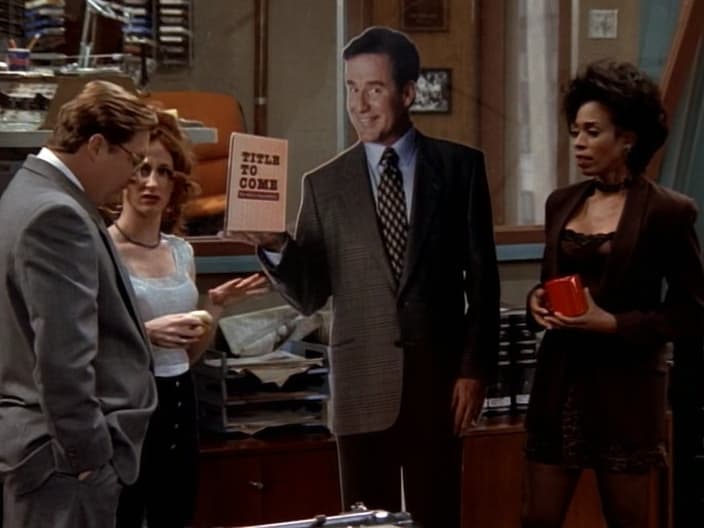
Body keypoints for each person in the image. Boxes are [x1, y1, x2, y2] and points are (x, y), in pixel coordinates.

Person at [234, 26, 499, 528]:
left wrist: (474, 370)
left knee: (438, 516)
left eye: (374, 89)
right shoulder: (323, 184)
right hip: (360, 386)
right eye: (351, 89)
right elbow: (310, 295)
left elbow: (483, 283)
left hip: (439, 384)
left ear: (407, 92)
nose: (359, 105)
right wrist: (275, 246)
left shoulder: (460, 168)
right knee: (361, 523)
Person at [522, 60, 704, 527]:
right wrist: (536, 301)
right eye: (575, 132)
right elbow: (551, 280)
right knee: (538, 520)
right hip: (560, 385)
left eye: (592, 132)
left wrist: (613, 323)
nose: (579, 143)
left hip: (625, 392)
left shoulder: (667, 211)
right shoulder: (562, 202)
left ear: (627, 138)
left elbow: (692, 311)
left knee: (627, 522)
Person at [0, 80, 158, 528]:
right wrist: (88, 458)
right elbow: (63, 357)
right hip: (63, 468)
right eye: (133, 160)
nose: (135, 177)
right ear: (96, 145)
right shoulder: (57, 214)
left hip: (43, 453)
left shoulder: (23, 192)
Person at [107, 110, 267, 528]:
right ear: (123, 176)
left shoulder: (181, 251)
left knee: (176, 513)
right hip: (128, 404)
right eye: (142, 169)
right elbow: (88, 341)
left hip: (180, 400)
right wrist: (145, 334)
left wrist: (214, 308)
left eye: (163, 172)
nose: (151, 182)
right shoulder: (102, 249)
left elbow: (188, 356)